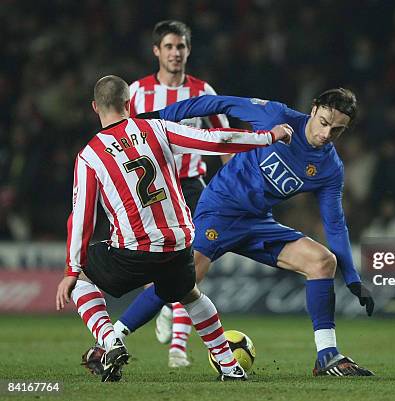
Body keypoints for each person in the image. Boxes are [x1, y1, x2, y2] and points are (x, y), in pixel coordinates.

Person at [120, 88, 376, 377]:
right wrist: (156, 118)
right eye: (324, 122)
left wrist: (352, 278)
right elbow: (218, 103)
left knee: (322, 262)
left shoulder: (330, 167)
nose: (327, 133)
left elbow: (334, 223)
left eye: (338, 130)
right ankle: (112, 340)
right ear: (313, 109)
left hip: (257, 222)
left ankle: (327, 355)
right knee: (184, 278)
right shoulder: (275, 115)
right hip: (220, 210)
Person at [56, 75, 292, 382]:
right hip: (179, 244)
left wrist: (71, 270)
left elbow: (81, 217)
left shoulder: (90, 156)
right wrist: (268, 137)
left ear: (94, 107)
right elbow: (215, 140)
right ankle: (229, 365)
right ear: (129, 103)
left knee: (83, 275)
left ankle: (110, 340)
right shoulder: (157, 129)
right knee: (191, 296)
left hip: (134, 249)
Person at [116, 20, 232, 368]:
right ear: (157, 51)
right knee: (163, 264)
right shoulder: (137, 92)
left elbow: (224, 141)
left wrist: (233, 185)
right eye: (169, 47)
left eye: (180, 47)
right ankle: (165, 304)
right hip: (153, 189)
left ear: (188, 50)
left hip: (193, 186)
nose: (175, 53)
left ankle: (178, 347)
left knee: (193, 262)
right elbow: (121, 140)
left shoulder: (203, 92)